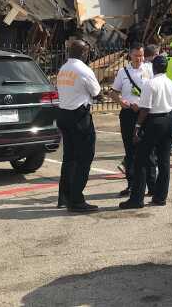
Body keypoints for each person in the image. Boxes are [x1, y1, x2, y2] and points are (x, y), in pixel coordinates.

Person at [120, 55, 172, 209]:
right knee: (164, 160)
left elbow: (145, 108)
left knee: (141, 159)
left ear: (154, 67)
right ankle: (160, 197)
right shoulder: (171, 84)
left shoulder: (150, 83)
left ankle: (137, 199)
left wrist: (137, 128)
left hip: (155, 121)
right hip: (170, 120)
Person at [55, 39, 101, 213]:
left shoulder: (63, 69)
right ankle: (76, 200)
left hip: (64, 114)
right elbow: (96, 92)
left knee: (69, 159)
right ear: (84, 53)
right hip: (79, 116)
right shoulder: (84, 70)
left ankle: (64, 197)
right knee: (85, 158)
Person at [110, 43, 155, 199]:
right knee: (130, 151)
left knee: (148, 150)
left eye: (141, 55)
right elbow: (113, 92)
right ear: (130, 55)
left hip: (145, 113)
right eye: (136, 55)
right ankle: (131, 185)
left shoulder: (149, 69)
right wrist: (121, 101)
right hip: (128, 114)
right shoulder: (123, 72)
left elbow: (156, 88)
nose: (139, 58)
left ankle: (152, 185)